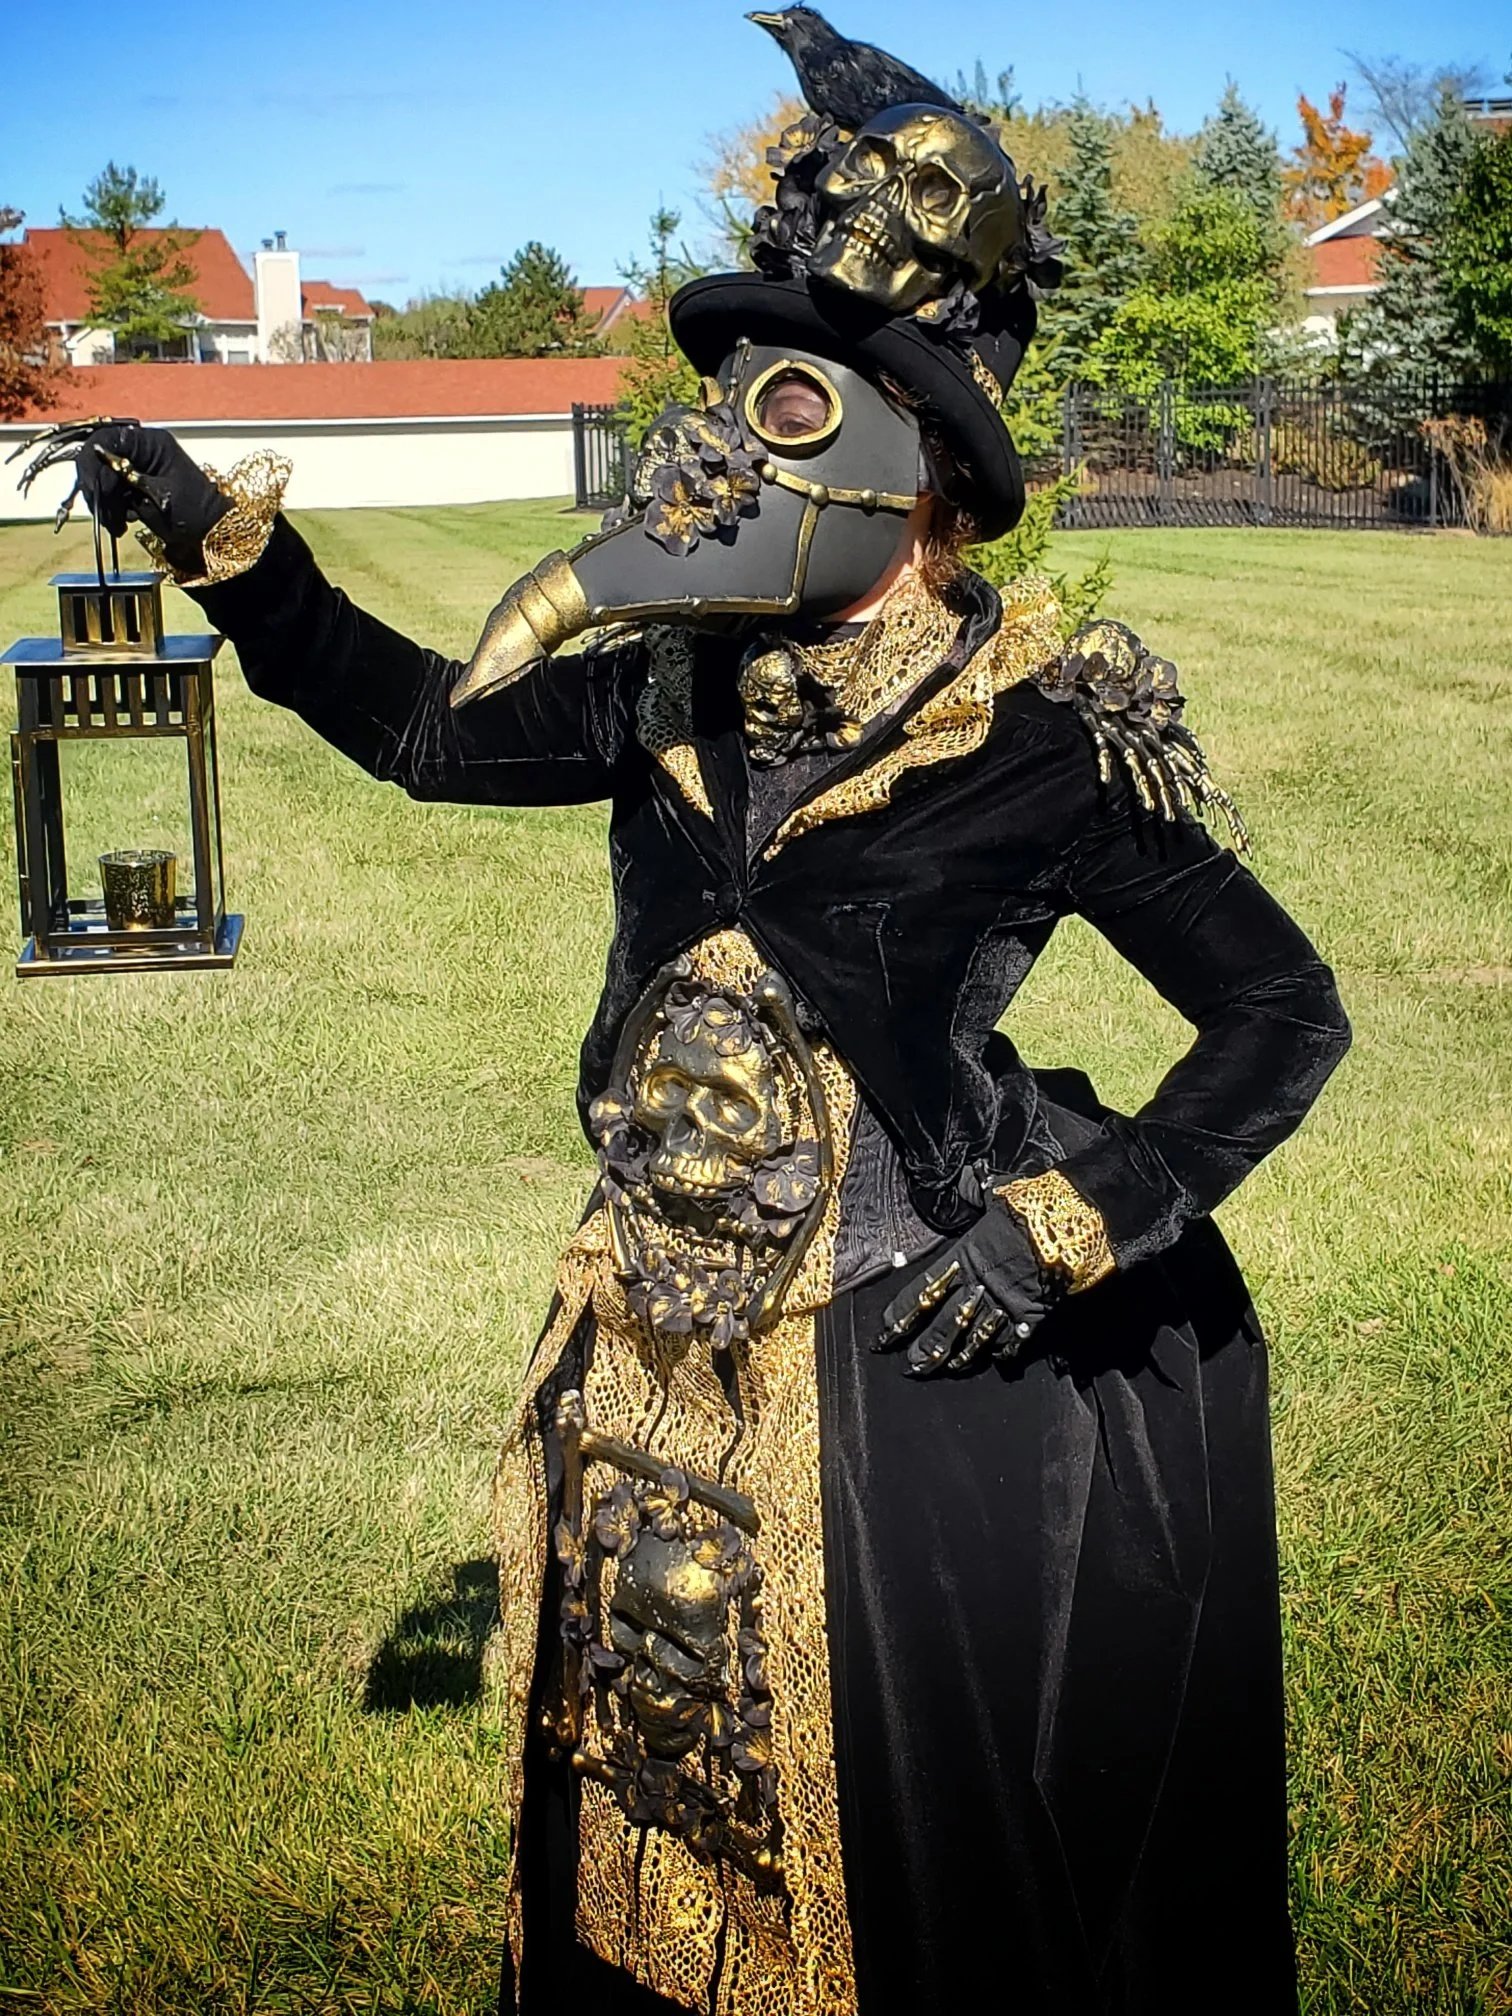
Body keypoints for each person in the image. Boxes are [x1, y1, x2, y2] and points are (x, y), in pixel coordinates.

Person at [18, 34, 1349, 2016]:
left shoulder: (1049, 737)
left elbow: (1280, 1010)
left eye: (788, 402)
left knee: (889, 1854)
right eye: (731, 395)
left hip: (892, 1385)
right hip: (644, 1340)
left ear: (919, 461)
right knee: (644, 1794)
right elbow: (421, 727)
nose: (728, 445)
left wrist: (1063, 1227)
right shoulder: (666, 688)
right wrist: (238, 552)